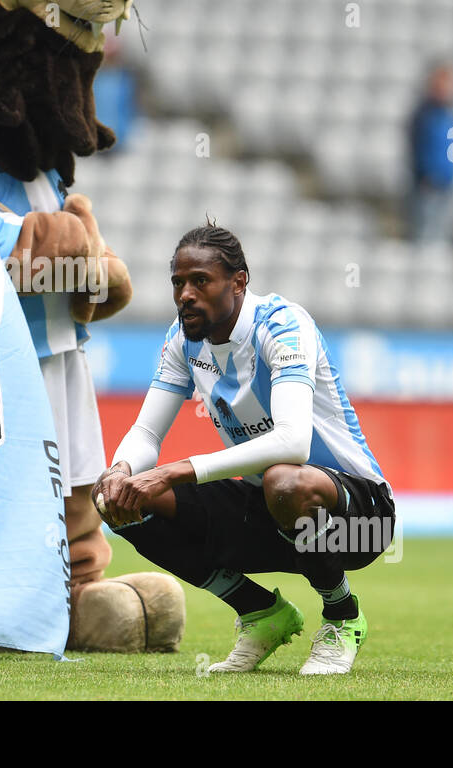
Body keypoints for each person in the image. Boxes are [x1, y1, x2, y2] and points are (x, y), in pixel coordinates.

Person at [94, 222, 396, 675]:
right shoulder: (182, 340)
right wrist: (121, 469)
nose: (185, 295)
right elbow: (146, 434)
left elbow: (293, 442)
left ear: (239, 282)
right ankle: (260, 612)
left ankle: (342, 616)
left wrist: (176, 471)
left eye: (200, 281)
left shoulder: (283, 324)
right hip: (272, 513)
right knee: (119, 499)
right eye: (178, 282)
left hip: (359, 519)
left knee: (284, 480)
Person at [407, 61, 453, 243]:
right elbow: (417, 147)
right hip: (427, 186)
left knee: (441, 240)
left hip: (447, 187)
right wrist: (424, 174)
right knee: (425, 238)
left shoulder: (452, 115)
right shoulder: (424, 114)